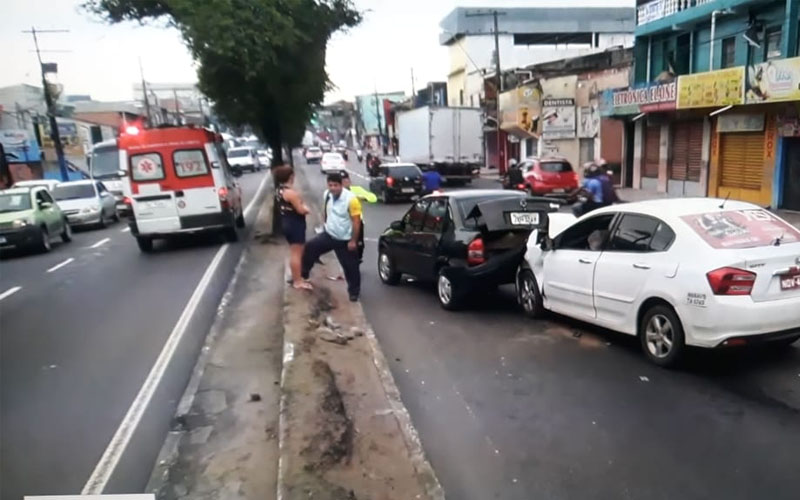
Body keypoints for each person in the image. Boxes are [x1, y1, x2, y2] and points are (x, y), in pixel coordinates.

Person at [302, 173, 362, 301]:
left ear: (341, 185)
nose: (333, 188)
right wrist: (325, 224)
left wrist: (353, 240)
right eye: (330, 185)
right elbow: (326, 211)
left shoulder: (351, 199)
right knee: (310, 248)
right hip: (329, 235)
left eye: (336, 185)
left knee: (351, 267)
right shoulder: (327, 195)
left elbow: (357, 221)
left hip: (345, 239)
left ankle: (354, 292)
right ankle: (304, 274)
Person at [274, 165, 312, 290]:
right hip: (295, 224)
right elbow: (300, 210)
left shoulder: (279, 190)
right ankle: (298, 281)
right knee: (297, 253)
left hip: (286, 222)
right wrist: (307, 209)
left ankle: (297, 278)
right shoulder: (290, 193)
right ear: (291, 176)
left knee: (294, 252)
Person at [340, 170, 376, 262]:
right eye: (342, 181)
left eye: (346, 180)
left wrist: (362, 197)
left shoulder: (356, 190)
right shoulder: (336, 193)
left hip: (357, 222)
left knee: (359, 244)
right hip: (342, 224)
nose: (345, 183)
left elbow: (373, 198)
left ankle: (358, 258)